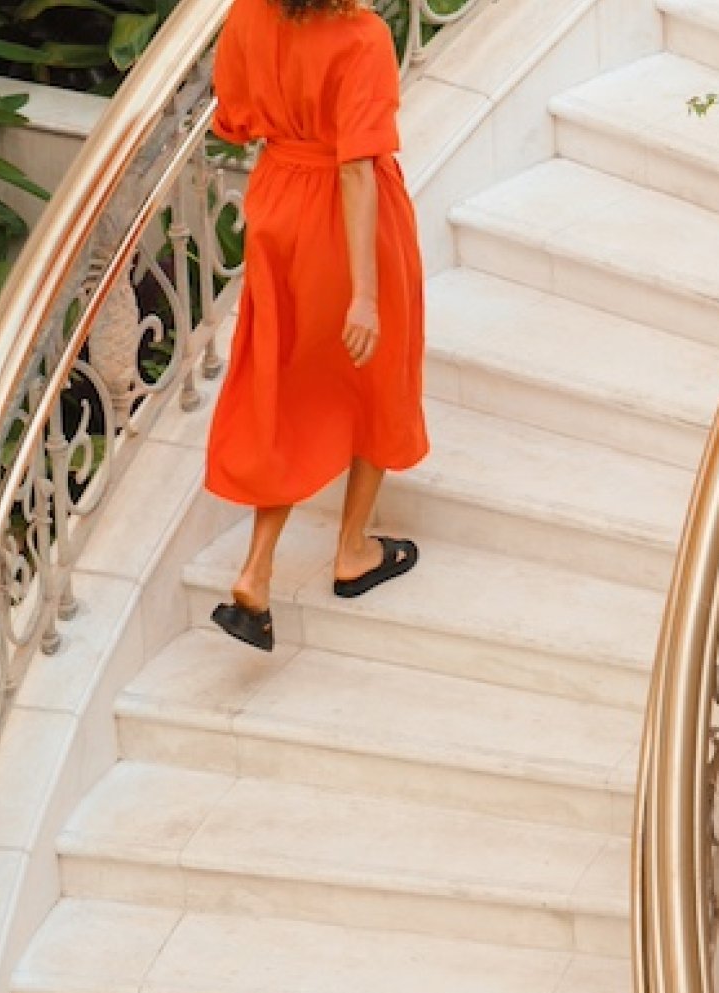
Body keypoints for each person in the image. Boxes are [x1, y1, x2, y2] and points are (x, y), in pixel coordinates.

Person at [204, 0, 429, 652]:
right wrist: (364, 294)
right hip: (345, 220)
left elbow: (235, 118)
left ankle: (256, 570)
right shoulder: (362, 37)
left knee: (286, 382)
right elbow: (356, 167)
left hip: (278, 208)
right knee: (377, 374)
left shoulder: (249, 11)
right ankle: (353, 550)